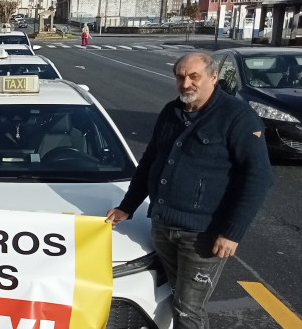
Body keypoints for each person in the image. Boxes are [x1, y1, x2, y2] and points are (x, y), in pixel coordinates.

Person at [105, 53, 272, 329]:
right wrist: (127, 206)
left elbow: (259, 176)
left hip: (202, 235)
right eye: (180, 77)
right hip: (163, 227)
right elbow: (150, 161)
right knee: (176, 297)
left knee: (188, 308)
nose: (186, 84)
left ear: (213, 78)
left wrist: (231, 233)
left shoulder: (237, 116)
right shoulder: (171, 112)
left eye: (194, 76)